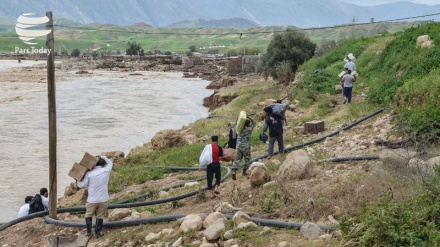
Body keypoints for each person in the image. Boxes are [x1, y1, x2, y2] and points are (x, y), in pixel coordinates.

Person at [77, 155, 113, 238]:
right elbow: (110, 162)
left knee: (88, 215)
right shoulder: (106, 170)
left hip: (92, 200)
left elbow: (80, 185)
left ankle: (89, 233)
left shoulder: (89, 174)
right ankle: (98, 233)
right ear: (103, 165)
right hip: (103, 199)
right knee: (100, 216)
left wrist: (77, 180)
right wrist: (102, 156)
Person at [231, 115, 256, 180]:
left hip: (238, 146)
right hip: (246, 147)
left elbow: (234, 124)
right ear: (248, 124)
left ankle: (233, 170)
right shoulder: (249, 129)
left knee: (237, 159)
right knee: (247, 159)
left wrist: (238, 118)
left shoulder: (238, 129)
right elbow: (254, 123)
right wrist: (248, 117)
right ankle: (244, 172)